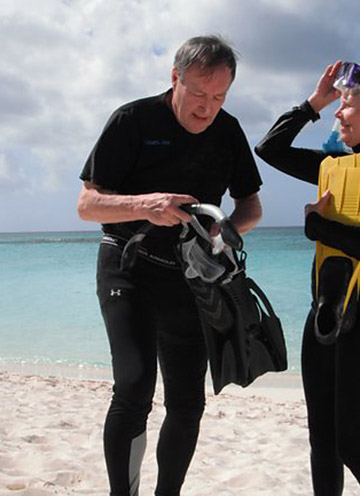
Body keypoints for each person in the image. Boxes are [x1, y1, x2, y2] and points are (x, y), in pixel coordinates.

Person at [77, 35, 262, 496]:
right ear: (175, 77)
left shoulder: (228, 130)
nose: (207, 108)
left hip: (191, 276)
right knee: (135, 386)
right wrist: (146, 204)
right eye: (199, 93)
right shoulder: (133, 119)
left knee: (186, 403)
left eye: (219, 97)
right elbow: (87, 204)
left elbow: (251, 206)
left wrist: (226, 231)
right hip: (128, 266)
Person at [255, 60, 360, 495]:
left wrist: (317, 226)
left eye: (345, 104)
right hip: (326, 307)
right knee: (322, 440)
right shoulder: (333, 165)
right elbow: (269, 149)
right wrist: (313, 103)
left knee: (355, 444)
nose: (338, 114)